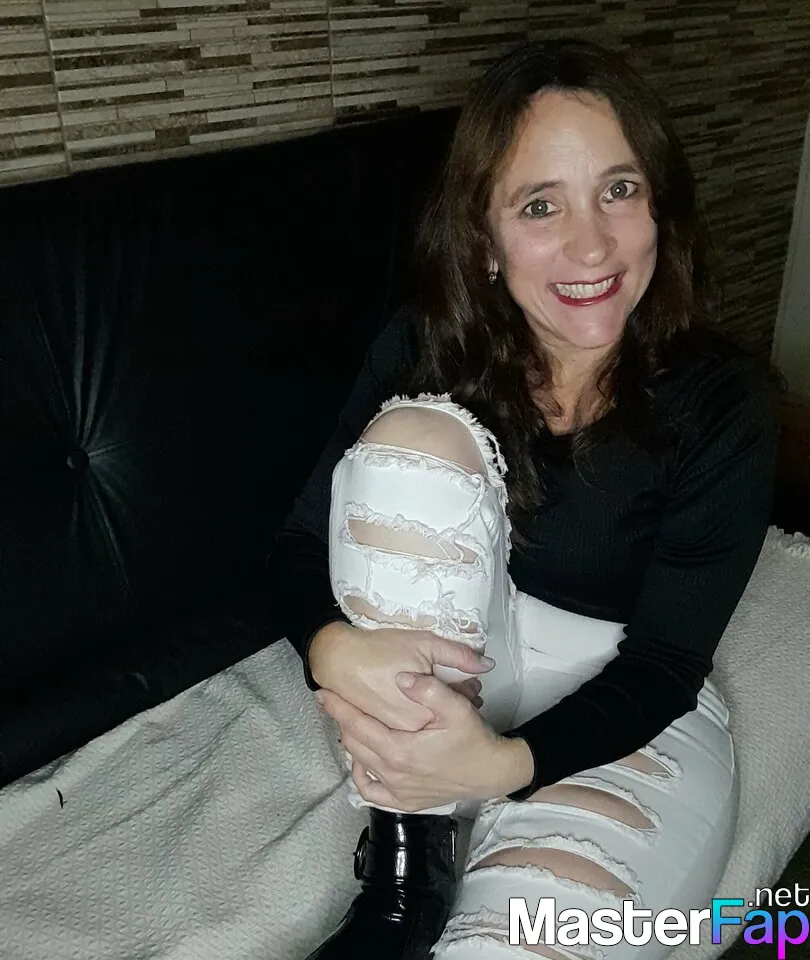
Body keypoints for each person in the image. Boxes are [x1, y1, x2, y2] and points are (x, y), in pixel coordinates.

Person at [267, 38, 778, 960]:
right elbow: (300, 542)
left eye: (619, 189)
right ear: (486, 241)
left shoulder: (724, 401)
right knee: (411, 438)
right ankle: (408, 863)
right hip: (453, 658)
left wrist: (500, 764)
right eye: (541, 205)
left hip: (621, 711)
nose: (593, 244)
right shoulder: (424, 343)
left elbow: (665, 665)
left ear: (659, 206)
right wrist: (332, 648)